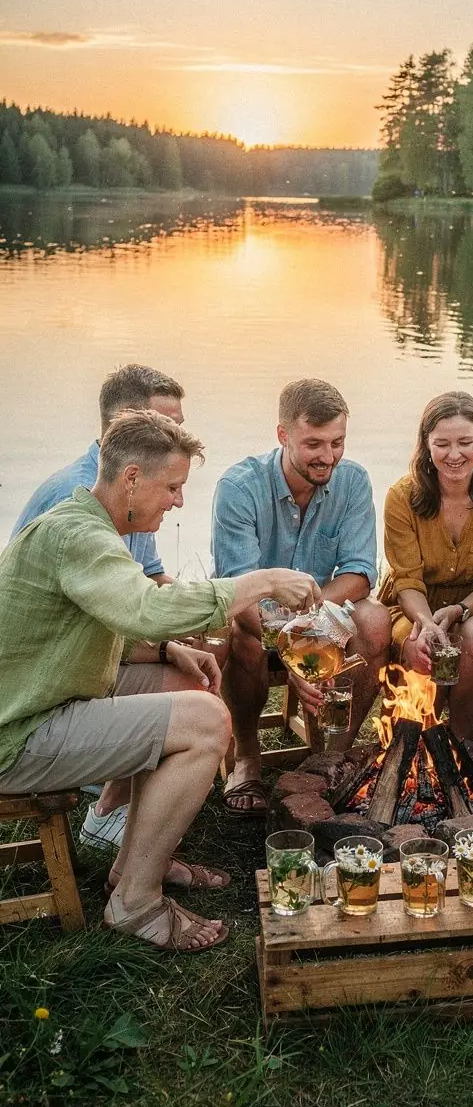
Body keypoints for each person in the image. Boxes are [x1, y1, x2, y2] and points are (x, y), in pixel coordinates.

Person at [0, 410, 319, 951]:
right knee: (205, 721)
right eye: (172, 486)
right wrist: (259, 581)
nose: (178, 501)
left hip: (46, 700)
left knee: (184, 685)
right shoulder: (79, 536)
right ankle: (135, 906)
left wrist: (171, 649)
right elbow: (148, 609)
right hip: (19, 734)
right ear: (131, 479)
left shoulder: (88, 525)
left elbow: (95, 623)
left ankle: (133, 867)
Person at [9, 363, 187, 852]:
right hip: (47, 687)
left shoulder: (133, 493)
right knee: (194, 700)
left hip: (97, 654)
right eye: (165, 427)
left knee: (197, 664)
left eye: (179, 426)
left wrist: (180, 633)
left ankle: (115, 813)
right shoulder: (71, 498)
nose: (176, 437)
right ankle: (110, 806)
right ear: (125, 429)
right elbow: (70, 621)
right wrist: (232, 597)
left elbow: (148, 579)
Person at [212, 378, 390, 815]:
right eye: (314, 443)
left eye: (337, 442)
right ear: (283, 435)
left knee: (375, 619)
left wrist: (311, 628)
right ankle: (248, 757)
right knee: (241, 633)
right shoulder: (239, 487)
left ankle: (329, 757)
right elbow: (239, 592)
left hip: (320, 612)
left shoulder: (352, 481)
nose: (327, 456)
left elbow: (359, 575)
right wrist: (295, 651)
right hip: (257, 617)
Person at [378, 391, 473, 741]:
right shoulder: (401, 497)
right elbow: (408, 581)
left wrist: (460, 610)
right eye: (442, 443)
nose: (454, 454)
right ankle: (413, 743)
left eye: (465, 442)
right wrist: (427, 622)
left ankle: (460, 745)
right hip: (413, 607)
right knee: (420, 646)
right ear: (426, 445)